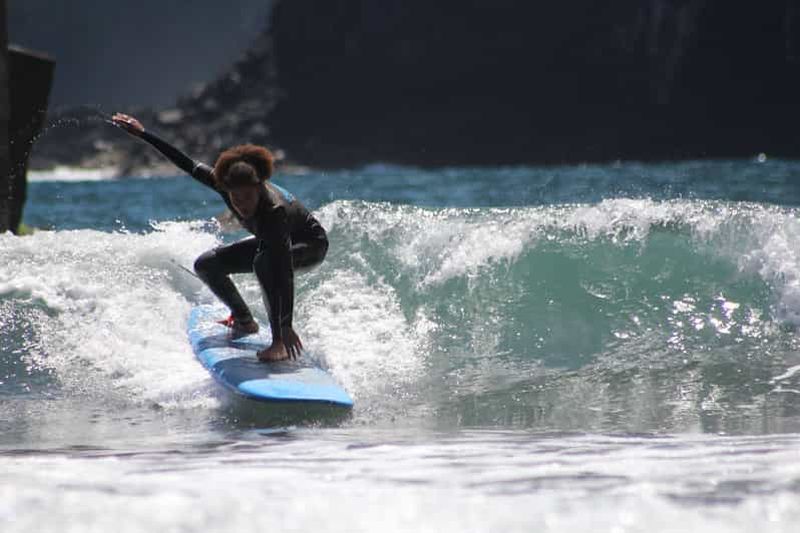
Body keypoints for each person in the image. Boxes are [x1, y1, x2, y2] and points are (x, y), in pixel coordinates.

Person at [110, 113, 328, 362]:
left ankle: (277, 342)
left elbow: (284, 271)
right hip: (274, 242)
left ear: (259, 188)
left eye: (248, 197)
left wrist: (286, 325)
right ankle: (244, 321)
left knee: (264, 262)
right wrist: (144, 134)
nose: (242, 205)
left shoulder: (274, 212)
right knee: (207, 264)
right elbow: (187, 163)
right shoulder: (223, 184)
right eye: (236, 198)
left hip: (310, 245)